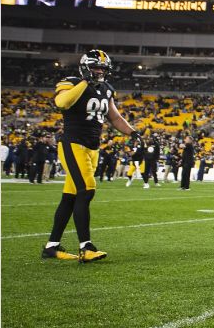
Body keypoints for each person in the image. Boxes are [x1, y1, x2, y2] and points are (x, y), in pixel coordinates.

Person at [41, 49, 144, 262]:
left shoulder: (106, 89)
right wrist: (84, 83)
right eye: (96, 67)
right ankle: (85, 247)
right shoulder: (70, 82)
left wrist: (132, 132)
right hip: (73, 143)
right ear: (85, 67)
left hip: (92, 148)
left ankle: (51, 246)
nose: (99, 71)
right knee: (86, 190)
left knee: (70, 197)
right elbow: (62, 103)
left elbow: (114, 117)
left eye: (103, 69)